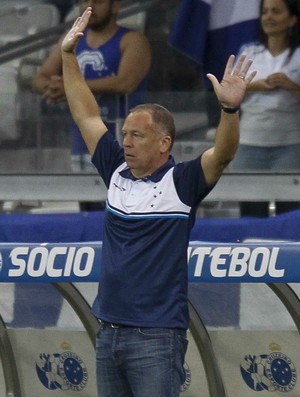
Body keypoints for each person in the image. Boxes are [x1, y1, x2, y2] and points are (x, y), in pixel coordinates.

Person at [61, 7, 256, 397]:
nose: (126, 142)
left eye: (137, 136)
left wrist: (230, 110)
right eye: (125, 133)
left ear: (164, 143)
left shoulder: (182, 182)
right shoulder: (115, 168)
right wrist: (68, 56)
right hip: (108, 332)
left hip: (156, 338)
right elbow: (85, 113)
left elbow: (222, 154)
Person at [32, 0, 151, 172]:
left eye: (99, 2)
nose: (90, 6)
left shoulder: (133, 40)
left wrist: (70, 87)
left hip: (123, 141)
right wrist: (55, 88)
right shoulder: (71, 39)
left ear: (115, 6)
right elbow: (39, 79)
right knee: (85, 197)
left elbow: (125, 82)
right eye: (84, 0)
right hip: (81, 138)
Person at [230, 0, 300, 217]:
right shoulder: (249, 52)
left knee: (289, 213)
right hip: (249, 143)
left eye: (276, 12)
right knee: (250, 212)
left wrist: (291, 86)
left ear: (292, 19)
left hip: (290, 144)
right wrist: (258, 85)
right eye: (265, 12)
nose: (269, 17)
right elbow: (229, 91)